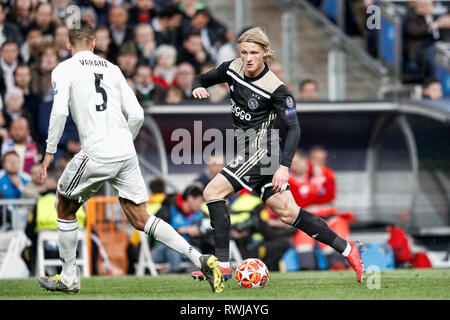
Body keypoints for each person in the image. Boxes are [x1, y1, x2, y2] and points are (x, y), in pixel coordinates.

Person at [37, 21, 224, 294]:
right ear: (93, 44)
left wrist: (49, 152)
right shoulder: (112, 69)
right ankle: (200, 258)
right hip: (125, 152)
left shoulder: (63, 69)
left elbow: (59, 113)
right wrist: (126, 140)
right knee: (141, 217)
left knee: (64, 206)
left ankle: (68, 277)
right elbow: (137, 114)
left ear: (68, 45)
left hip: (96, 151)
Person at [189, 27, 364, 283]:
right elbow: (201, 78)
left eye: (254, 53)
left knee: (212, 192)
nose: (247, 58)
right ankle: (348, 250)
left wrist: (284, 166)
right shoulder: (232, 68)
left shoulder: (277, 89)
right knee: (289, 213)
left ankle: (223, 266)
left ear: (265, 54)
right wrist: (197, 88)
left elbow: (293, 128)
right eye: (244, 52)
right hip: (249, 151)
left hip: (262, 152)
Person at [152, 185, 207, 273]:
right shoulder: (167, 209)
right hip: (161, 250)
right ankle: (174, 272)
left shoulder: (200, 214)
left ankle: (198, 274)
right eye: (200, 201)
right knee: (174, 247)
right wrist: (182, 230)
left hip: (186, 249)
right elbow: (157, 231)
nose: (201, 204)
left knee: (198, 253)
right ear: (190, 198)